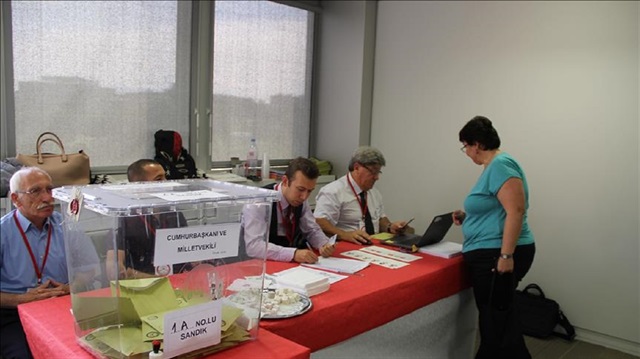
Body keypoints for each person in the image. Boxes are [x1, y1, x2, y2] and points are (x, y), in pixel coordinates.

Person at [453, 115, 536, 359]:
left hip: (497, 256)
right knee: (500, 321)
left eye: (465, 146)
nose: (466, 152)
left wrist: (506, 256)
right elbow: (497, 210)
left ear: (476, 144)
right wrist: (468, 216)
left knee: (495, 325)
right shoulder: (494, 167)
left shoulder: (500, 165)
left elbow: (516, 210)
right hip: (492, 253)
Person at [1, 167, 98, 359]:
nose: (47, 198)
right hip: (14, 314)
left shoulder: (67, 225)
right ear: (15, 199)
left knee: (88, 349)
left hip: (63, 305)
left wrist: (69, 287)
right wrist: (21, 300)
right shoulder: (3, 232)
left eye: (49, 189)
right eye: (35, 191)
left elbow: (91, 268)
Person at [105, 159, 189, 279]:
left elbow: (188, 248)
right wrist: (157, 280)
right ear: (139, 187)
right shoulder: (126, 219)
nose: (166, 183)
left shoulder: (173, 213)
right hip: (141, 288)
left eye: (165, 177)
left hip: (177, 281)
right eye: (159, 179)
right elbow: (113, 269)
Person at [243, 157, 335, 263]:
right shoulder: (259, 201)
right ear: (285, 181)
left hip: (286, 263)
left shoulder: (300, 200)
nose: (304, 197)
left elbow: (311, 230)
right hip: (257, 265)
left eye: (310, 191)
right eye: (300, 189)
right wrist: (293, 254)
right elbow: (253, 246)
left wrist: (323, 244)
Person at [314, 146, 412, 245]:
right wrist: (345, 235)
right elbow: (320, 222)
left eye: (378, 172)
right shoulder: (333, 191)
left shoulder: (374, 192)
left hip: (373, 245)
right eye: (373, 172)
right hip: (347, 246)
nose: (377, 177)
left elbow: (380, 219)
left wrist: (390, 227)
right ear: (357, 168)